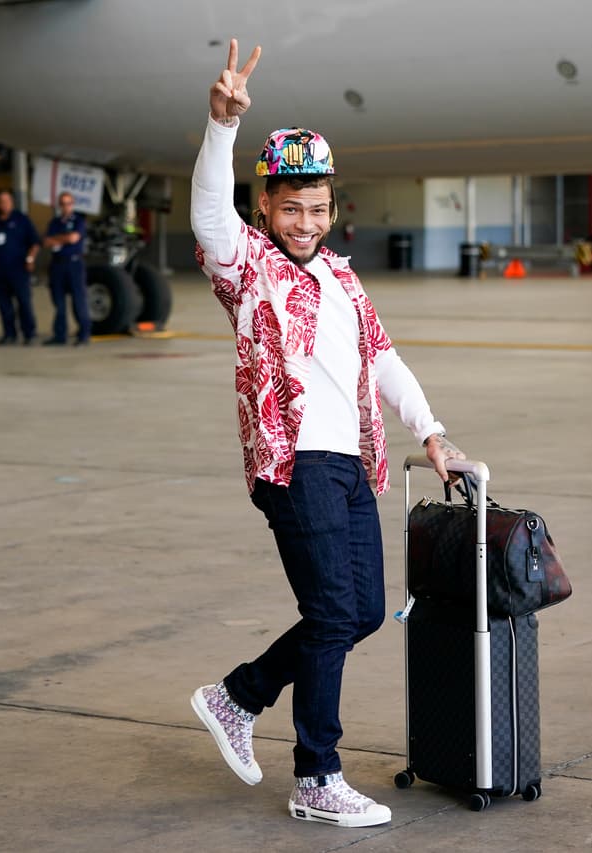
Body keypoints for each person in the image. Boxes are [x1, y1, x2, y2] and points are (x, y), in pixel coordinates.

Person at [187, 40, 465, 829]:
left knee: (362, 610)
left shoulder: (341, 277)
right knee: (333, 610)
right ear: (265, 206)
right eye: (291, 208)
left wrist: (433, 433)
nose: (305, 223)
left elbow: (384, 359)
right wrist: (220, 124)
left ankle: (238, 695)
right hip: (293, 460)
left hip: (349, 462)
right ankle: (316, 774)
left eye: (317, 209)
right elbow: (208, 210)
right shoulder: (246, 265)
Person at [0, 189, 41, 345]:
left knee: (24, 303)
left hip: (18, 270)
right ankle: (9, 334)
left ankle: (30, 334)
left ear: (12, 202)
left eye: (6, 201)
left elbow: (34, 243)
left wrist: (30, 259)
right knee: (4, 305)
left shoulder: (22, 220)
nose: (3, 204)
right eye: (0, 202)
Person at [41, 192, 90, 346]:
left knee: (78, 300)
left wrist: (57, 239)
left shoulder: (78, 221)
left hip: (73, 263)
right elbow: (46, 242)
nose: (65, 206)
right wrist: (64, 238)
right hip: (57, 264)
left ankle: (83, 334)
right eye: (62, 203)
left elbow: (73, 238)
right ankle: (60, 335)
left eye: (68, 203)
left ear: (72, 204)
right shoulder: (55, 222)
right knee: (58, 301)